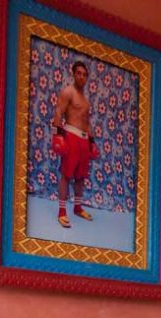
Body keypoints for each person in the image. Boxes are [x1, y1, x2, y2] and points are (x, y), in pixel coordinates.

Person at [51, 61, 99, 229]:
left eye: (84, 74)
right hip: (71, 136)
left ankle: (78, 208)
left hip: (84, 140)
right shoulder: (68, 92)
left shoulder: (85, 101)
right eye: (78, 73)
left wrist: (92, 142)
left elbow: (87, 122)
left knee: (80, 177)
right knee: (66, 175)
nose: (81, 77)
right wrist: (58, 136)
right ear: (73, 74)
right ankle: (62, 212)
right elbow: (58, 112)